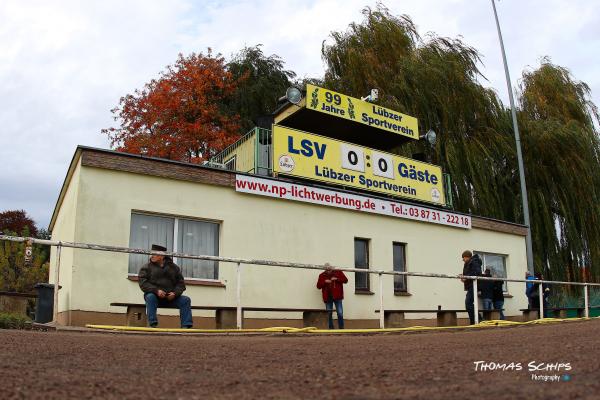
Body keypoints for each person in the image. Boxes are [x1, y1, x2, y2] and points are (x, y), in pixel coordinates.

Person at [138, 244, 193, 328]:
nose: (151, 256)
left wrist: (174, 293)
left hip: (171, 299)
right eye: (151, 253)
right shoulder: (146, 267)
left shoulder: (174, 268)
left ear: (162, 255)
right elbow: (143, 283)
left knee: (186, 300)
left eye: (154, 254)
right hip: (155, 297)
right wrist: (156, 291)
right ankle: (153, 324)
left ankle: (186, 326)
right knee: (150, 297)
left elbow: (181, 284)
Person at [316, 263, 348, 329]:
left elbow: (345, 280)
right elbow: (318, 286)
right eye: (326, 270)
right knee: (329, 314)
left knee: (340, 313)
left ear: (332, 268)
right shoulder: (322, 275)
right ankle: (330, 329)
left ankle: (341, 329)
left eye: (329, 269)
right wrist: (324, 282)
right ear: (325, 269)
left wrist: (337, 279)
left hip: (338, 296)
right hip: (327, 297)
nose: (328, 271)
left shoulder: (338, 272)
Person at [459, 250, 482, 325]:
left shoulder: (474, 262)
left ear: (467, 257)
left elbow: (477, 273)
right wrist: (464, 278)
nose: (463, 259)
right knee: (469, 303)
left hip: (474, 285)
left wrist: (466, 277)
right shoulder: (468, 263)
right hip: (471, 286)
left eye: (463, 258)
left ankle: (477, 320)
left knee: (468, 303)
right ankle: (477, 320)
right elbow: (469, 274)